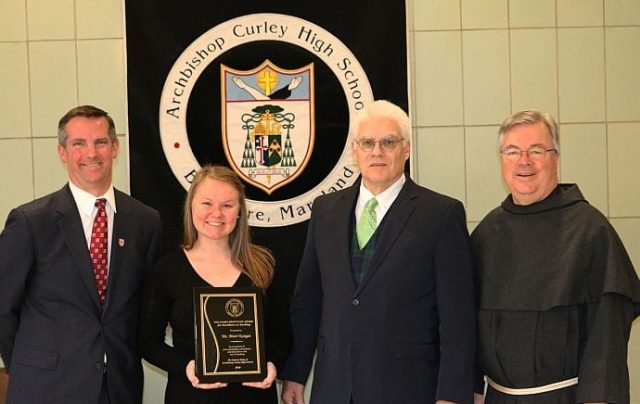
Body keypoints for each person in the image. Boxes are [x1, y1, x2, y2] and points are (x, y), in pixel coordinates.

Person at [281, 100, 476, 404]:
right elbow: (309, 300)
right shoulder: (325, 211)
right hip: (335, 388)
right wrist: (295, 372)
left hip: (408, 389)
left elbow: (457, 316)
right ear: (354, 151)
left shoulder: (441, 214)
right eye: (368, 143)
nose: (377, 152)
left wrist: (452, 394)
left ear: (406, 149)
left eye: (388, 142)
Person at [471, 109, 640, 404]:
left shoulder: (590, 231)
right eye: (512, 151)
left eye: (536, 150)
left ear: (556, 157)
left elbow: (608, 333)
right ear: (501, 160)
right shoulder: (487, 233)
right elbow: (465, 326)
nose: (524, 161)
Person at [0, 105, 162, 403]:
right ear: (62, 152)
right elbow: (3, 306)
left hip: (117, 387)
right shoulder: (30, 222)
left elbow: (145, 309)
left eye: (100, 142)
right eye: (79, 144)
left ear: (115, 147)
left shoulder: (145, 221)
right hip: (44, 387)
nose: (92, 153)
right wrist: (26, 365)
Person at [138, 165, 291, 404]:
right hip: (191, 397)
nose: (216, 214)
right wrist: (186, 367)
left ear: (240, 211)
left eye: (227, 205)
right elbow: (147, 341)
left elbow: (283, 334)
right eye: (206, 203)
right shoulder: (167, 269)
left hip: (254, 398)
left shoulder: (264, 266)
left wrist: (272, 365)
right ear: (191, 206)